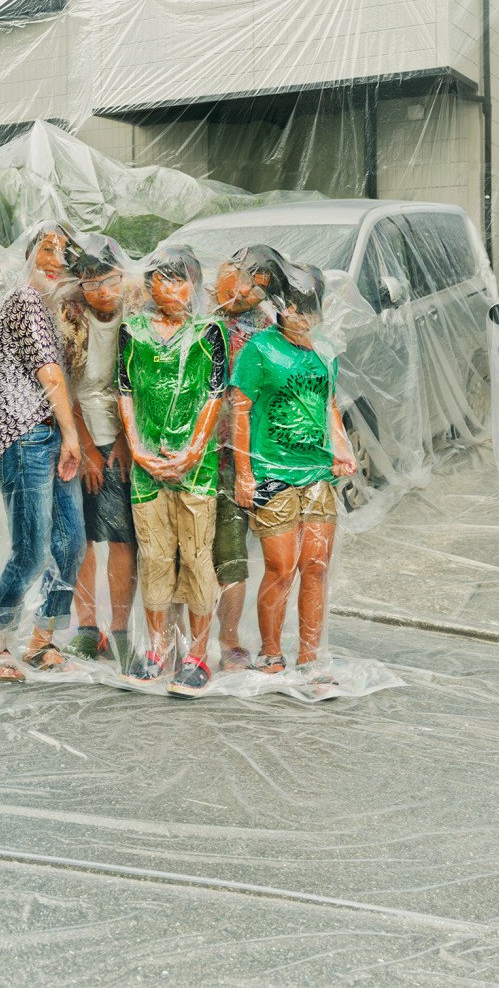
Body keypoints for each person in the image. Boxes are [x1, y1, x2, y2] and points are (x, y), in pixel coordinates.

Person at [230, 262, 359, 675]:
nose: (300, 316)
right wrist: (245, 474)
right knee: (282, 567)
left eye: (308, 309)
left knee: (316, 567)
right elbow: (241, 412)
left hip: (317, 473)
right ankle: (271, 650)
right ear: (279, 308)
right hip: (272, 473)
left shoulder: (324, 352)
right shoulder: (260, 349)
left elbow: (328, 406)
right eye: (292, 307)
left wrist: (342, 448)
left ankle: (308, 654)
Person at [117, 245, 227, 696]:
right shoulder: (133, 330)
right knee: (156, 556)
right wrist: (137, 449)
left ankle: (198, 654)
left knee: (198, 557)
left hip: (196, 469)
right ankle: (158, 648)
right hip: (146, 466)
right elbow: (123, 389)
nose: (172, 289)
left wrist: (194, 451)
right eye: (162, 279)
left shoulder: (209, 331)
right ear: (149, 285)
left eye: (181, 280)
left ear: (196, 286)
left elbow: (214, 394)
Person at [0, 221, 87, 682]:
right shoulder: (23, 300)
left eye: (65, 252)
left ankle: (42, 641)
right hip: (25, 439)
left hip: (44, 438)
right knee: (31, 551)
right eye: (47, 248)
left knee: (71, 544)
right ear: (28, 254)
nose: (56, 259)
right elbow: (50, 376)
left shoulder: (44, 308)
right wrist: (72, 435)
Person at [56, 235, 141, 670]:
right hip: (78, 433)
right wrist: (85, 445)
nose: (102, 293)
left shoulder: (138, 310)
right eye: (92, 285)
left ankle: (122, 630)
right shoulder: (69, 314)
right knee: (83, 536)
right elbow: (61, 383)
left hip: (127, 435)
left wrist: (128, 439)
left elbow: (141, 381)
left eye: (109, 282)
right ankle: (87, 628)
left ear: (123, 277)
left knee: (124, 536)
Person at [211, 245, 288, 671]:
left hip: (265, 457)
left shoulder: (270, 329)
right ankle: (226, 641)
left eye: (255, 289)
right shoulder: (197, 320)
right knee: (225, 553)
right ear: (222, 270)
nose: (242, 292)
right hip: (212, 458)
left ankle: (266, 643)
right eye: (237, 279)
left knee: (274, 557)